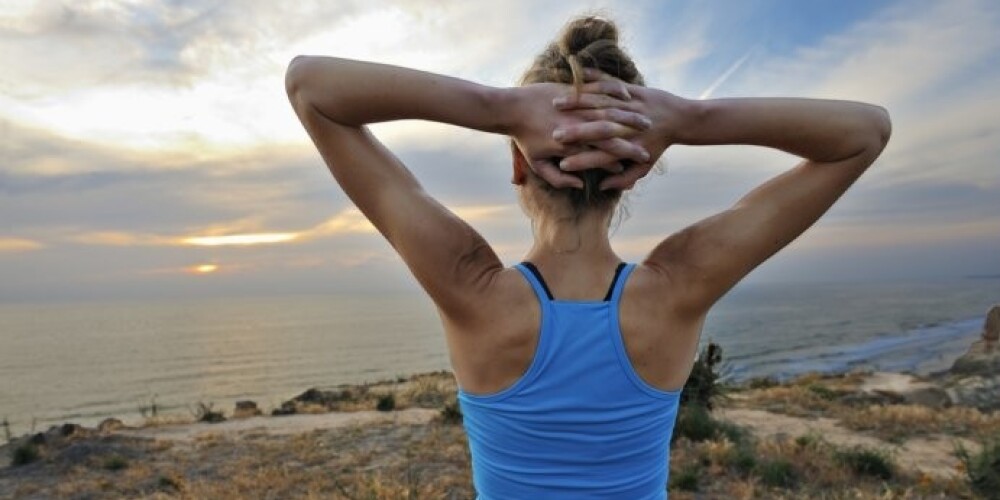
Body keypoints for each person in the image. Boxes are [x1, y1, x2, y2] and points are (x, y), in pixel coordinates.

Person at [285, 15, 890, 499]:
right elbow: (864, 132)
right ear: (637, 170)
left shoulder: (470, 289)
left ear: (519, 162)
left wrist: (500, 108)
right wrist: (687, 118)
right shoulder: (677, 289)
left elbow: (310, 85)